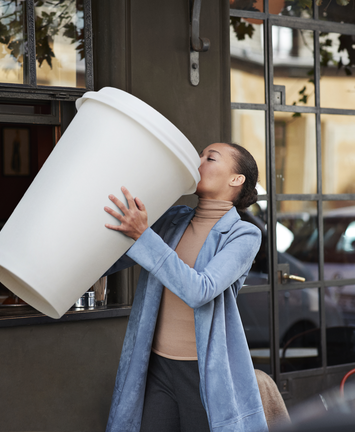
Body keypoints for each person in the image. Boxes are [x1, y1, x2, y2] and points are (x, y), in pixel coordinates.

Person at [102, 142, 268, 432]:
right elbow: (113, 260)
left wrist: (143, 237)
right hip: (156, 365)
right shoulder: (174, 218)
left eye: (210, 158)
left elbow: (199, 290)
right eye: (200, 155)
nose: (199, 161)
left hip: (203, 371)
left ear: (236, 179)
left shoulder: (244, 234)